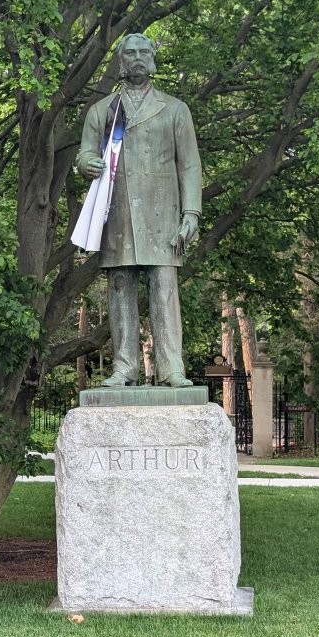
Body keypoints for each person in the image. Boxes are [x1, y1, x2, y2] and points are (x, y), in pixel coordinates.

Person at [75, 34, 202, 387]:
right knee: (119, 287)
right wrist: (87, 163)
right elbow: (84, 154)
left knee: (164, 287)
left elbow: (189, 165)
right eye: (130, 53)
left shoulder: (175, 109)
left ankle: (172, 367)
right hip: (116, 213)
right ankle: (125, 367)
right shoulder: (102, 111)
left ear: (153, 59)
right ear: (120, 61)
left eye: (144, 52)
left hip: (163, 215)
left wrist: (191, 213)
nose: (138, 58)